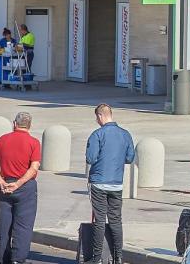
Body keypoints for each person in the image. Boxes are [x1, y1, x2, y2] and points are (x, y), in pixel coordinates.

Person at [85, 104, 135, 264]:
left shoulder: (97, 134)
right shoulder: (125, 134)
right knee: (116, 220)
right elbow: (129, 158)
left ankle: (97, 258)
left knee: (99, 220)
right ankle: (118, 257)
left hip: (99, 183)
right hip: (116, 184)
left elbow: (90, 158)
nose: (96, 120)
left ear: (100, 116)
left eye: (96, 117)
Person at [0, 112, 41, 264]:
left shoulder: (2, 140)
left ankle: (4, 258)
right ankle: (17, 259)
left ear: (14, 124)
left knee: (4, 223)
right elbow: (34, 168)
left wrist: (0, 180)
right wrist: (18, 184)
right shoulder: (33, 143)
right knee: (23, 225)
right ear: (29, 125)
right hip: (25, 187)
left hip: (5, 186)